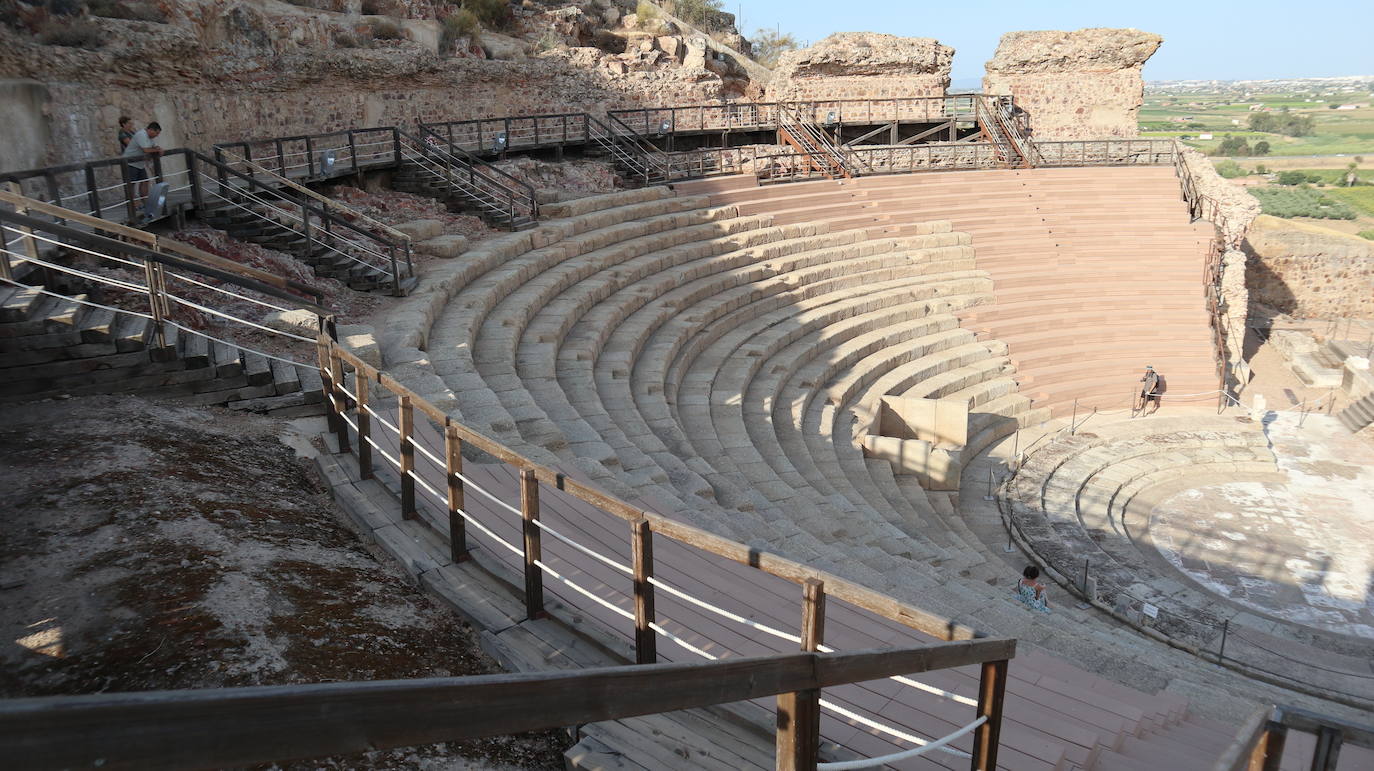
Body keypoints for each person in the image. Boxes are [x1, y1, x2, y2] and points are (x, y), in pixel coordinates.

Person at [121, 121, 164, 212]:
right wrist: (157, 151)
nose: (157, 135)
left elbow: (154, 146)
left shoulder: (149, 137)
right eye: (156, 133)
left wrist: (158, 148)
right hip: (130, 163)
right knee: (131, 184)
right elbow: (146, 150)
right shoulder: (142, 135)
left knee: (145, 182)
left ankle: (145, 202)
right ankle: (132, 205)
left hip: (139, 164)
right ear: (151, 130)